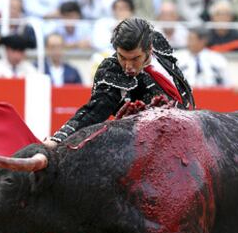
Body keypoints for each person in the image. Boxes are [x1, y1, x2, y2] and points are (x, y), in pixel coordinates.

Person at [43, 17, 195, 147]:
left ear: (149, 49)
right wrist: (58, 139)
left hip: (189, 131)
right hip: (151, 149)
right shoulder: (112, 71)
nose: (128, 66)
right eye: (122, 57)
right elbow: (93, 112)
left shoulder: (158, 43)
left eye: (135, 58)